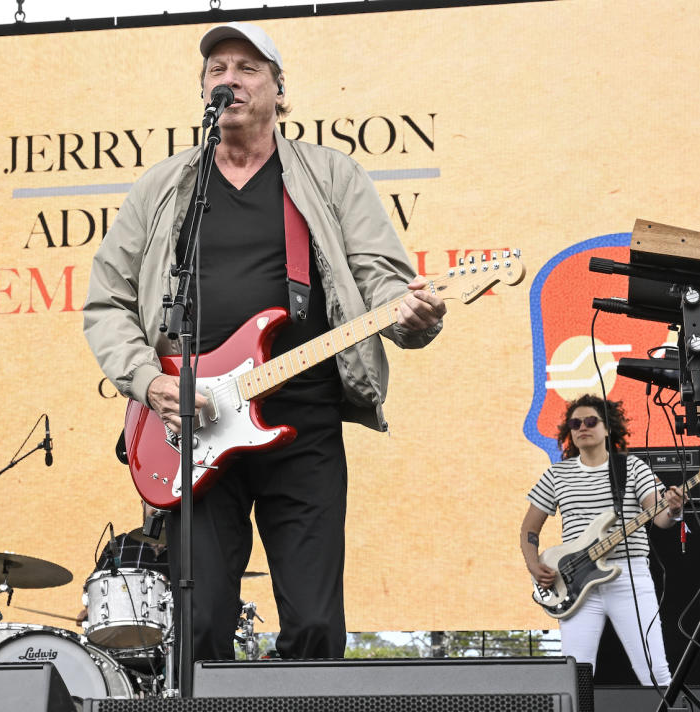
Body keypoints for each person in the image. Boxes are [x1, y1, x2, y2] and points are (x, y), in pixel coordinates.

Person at [82, 21, 445, 661]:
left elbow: (382, 279)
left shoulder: (330, 175)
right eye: (217, 69)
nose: (230, 79)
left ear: (280, 92)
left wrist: (411, 314)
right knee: (200, 626)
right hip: (189, 428)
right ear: (203, 92)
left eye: (248, 68)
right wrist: (149, 380)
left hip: (302, 421)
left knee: (313, 620)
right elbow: (107, 302)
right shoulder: (163, 187)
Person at [521, 394, 684, 685]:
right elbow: (529, 529)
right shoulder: (557, 474)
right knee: (575, 677)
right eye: (575, 423)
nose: (582, 427)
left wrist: (673, 509)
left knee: (655, 672)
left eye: (591, 421)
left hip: (629, 576)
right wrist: (534, 566)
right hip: (572, 583)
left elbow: (659, 517)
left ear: (608, 428)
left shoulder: (632, 467)